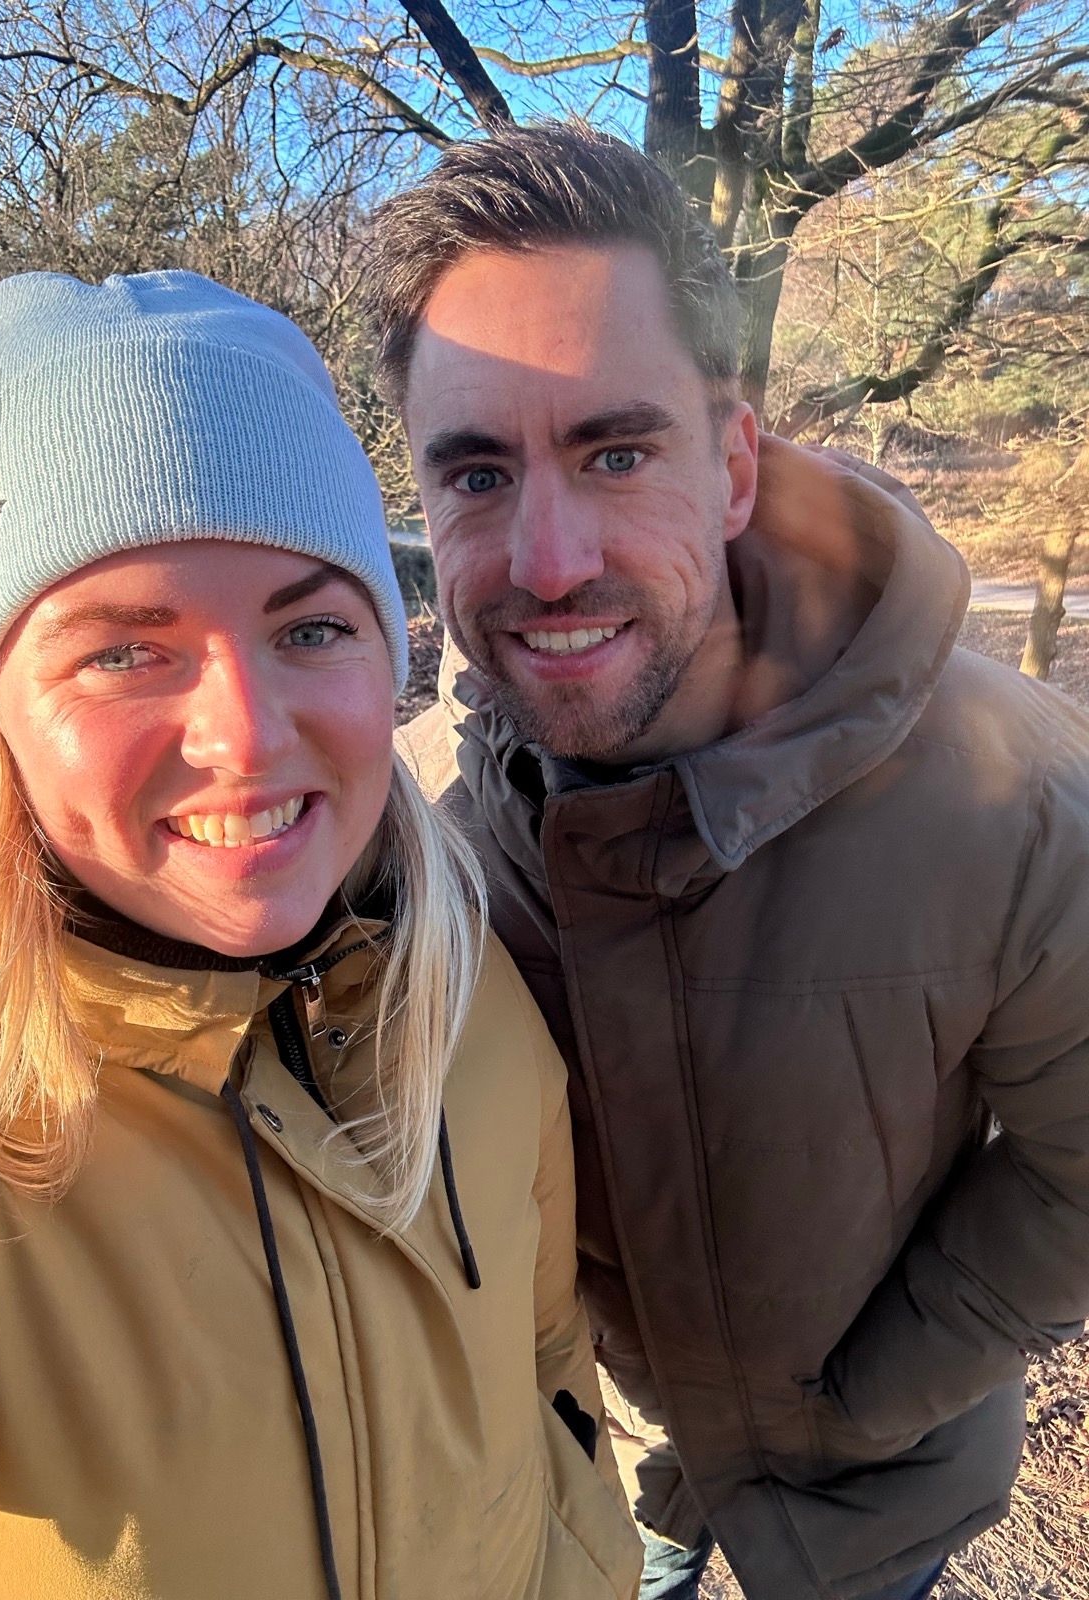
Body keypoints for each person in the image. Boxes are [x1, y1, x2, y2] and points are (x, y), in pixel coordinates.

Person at [373, 122, 1089, 1600]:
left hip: (863, 1512)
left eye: (616, 451)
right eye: (478, 473)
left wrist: (865, 1399)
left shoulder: (1012, 794)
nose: (550, 560)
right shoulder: (432, 820)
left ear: (736, 466)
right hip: (598, 1480)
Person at [0, 269, 644, 1600]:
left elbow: (545, 1367)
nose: (245, 735)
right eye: (123, 653)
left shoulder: (460, 979)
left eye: (312, 626)